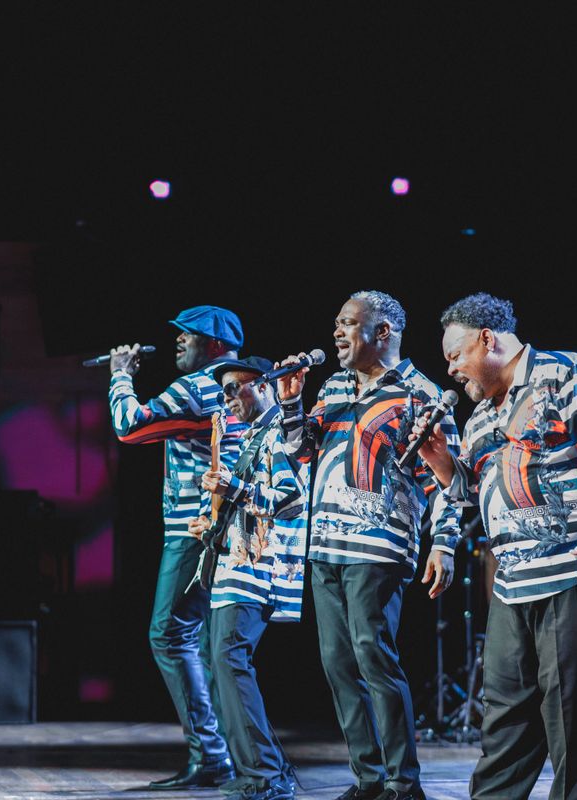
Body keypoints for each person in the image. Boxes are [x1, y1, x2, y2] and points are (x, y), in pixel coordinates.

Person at [410, 293, 577, 800]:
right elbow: (476, 493)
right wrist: (442, 463)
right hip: (516, 581)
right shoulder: (480, 418)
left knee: (573, 719)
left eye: (455, 355)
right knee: (504, 714)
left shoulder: (571, 375)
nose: (450, 369)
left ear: (487, 339)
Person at [275, 290, 462, 800]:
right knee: (337, 663)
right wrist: (290, 402)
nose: (337, 331)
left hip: (379, 546)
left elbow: (450, 480)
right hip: (325, 545)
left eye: (348, 322)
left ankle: (403, 782)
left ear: (383, 332)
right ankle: (369, 778)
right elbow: (300, 452)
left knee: (372, 655)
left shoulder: (420, 393)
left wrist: (444, 544)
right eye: (336, 322)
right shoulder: (334, 385)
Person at [108, 305, 247, 789]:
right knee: (205, 643)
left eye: (188, 335)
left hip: (195, 529)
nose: (178, 341)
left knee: (169, 635)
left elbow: (129, 426)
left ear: (214, 345)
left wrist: (121, 375)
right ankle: (228, 754)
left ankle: (210, 754)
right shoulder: (243, 386)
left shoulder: (197, 386)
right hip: (233, 530)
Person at [191, 356, 310, 800]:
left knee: (229, 658)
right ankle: (263, 770)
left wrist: (234, 490)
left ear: (262, 386)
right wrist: (212, 523)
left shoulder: (281, 430)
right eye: (223, 392)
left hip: (259, 564)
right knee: (224, 662)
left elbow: (292, 498)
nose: (226, 399)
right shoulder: (251, 437)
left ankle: (265, 776)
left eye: (233, 388)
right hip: (237, 561)